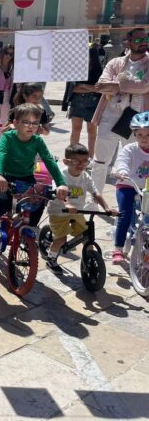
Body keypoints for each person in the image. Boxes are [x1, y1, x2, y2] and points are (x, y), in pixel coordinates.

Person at [0, 103, 68, 242]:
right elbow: (1, 153)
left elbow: (49, 160)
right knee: (4, 203)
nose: (31, 126)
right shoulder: (8, 137)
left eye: (35, 123)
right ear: (15, 122)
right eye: (26, 122)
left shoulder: (37, 140)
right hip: (6, 175)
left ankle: (31, 227)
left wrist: (61, 183)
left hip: (26, 176)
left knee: (38, 200)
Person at [91, 27, 149, 193]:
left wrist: (115, 85)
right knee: (100, 161)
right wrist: (128, 87)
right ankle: (96, 199)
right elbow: (101, 86)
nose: (144, 43)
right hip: (110, 116)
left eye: (146, 40)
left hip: (137, 122)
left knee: (133, 163)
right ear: (128, 42)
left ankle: (131, 200)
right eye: (138, 40)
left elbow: (144, 85)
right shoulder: (115, 63)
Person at [45, 143, 115, 273]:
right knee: (61, 239)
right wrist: (67, 204)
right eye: (76, 161)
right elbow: (60, 192)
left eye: (85, 161)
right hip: (59, 212)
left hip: (77, 212)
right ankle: (51, 260)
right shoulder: (61, 175)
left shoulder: (85, 176)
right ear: (66, 161)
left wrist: (106, 207)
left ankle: (89, 260)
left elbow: (95, 193)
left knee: (87, 236)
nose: (81, 164)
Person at [112, 111, 149, 263]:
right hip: (127, 184)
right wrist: (122, 171)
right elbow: (122, 161)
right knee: (124, 215)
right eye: (139, 134)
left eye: (148, 135)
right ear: (134, 135)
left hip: (146, 188)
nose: (144, 138)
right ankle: (118, 248)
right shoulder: (130, 149)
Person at [65, 45, 103, 157]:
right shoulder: (76, 70)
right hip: (77, 103)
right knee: (76, 129)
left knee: (92, 132)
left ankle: (90, 157)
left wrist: (83, 86)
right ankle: (73, 155)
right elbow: (73, 89)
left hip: (93, 103)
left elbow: (99, 89)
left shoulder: (99, 71)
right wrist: (90, 88)